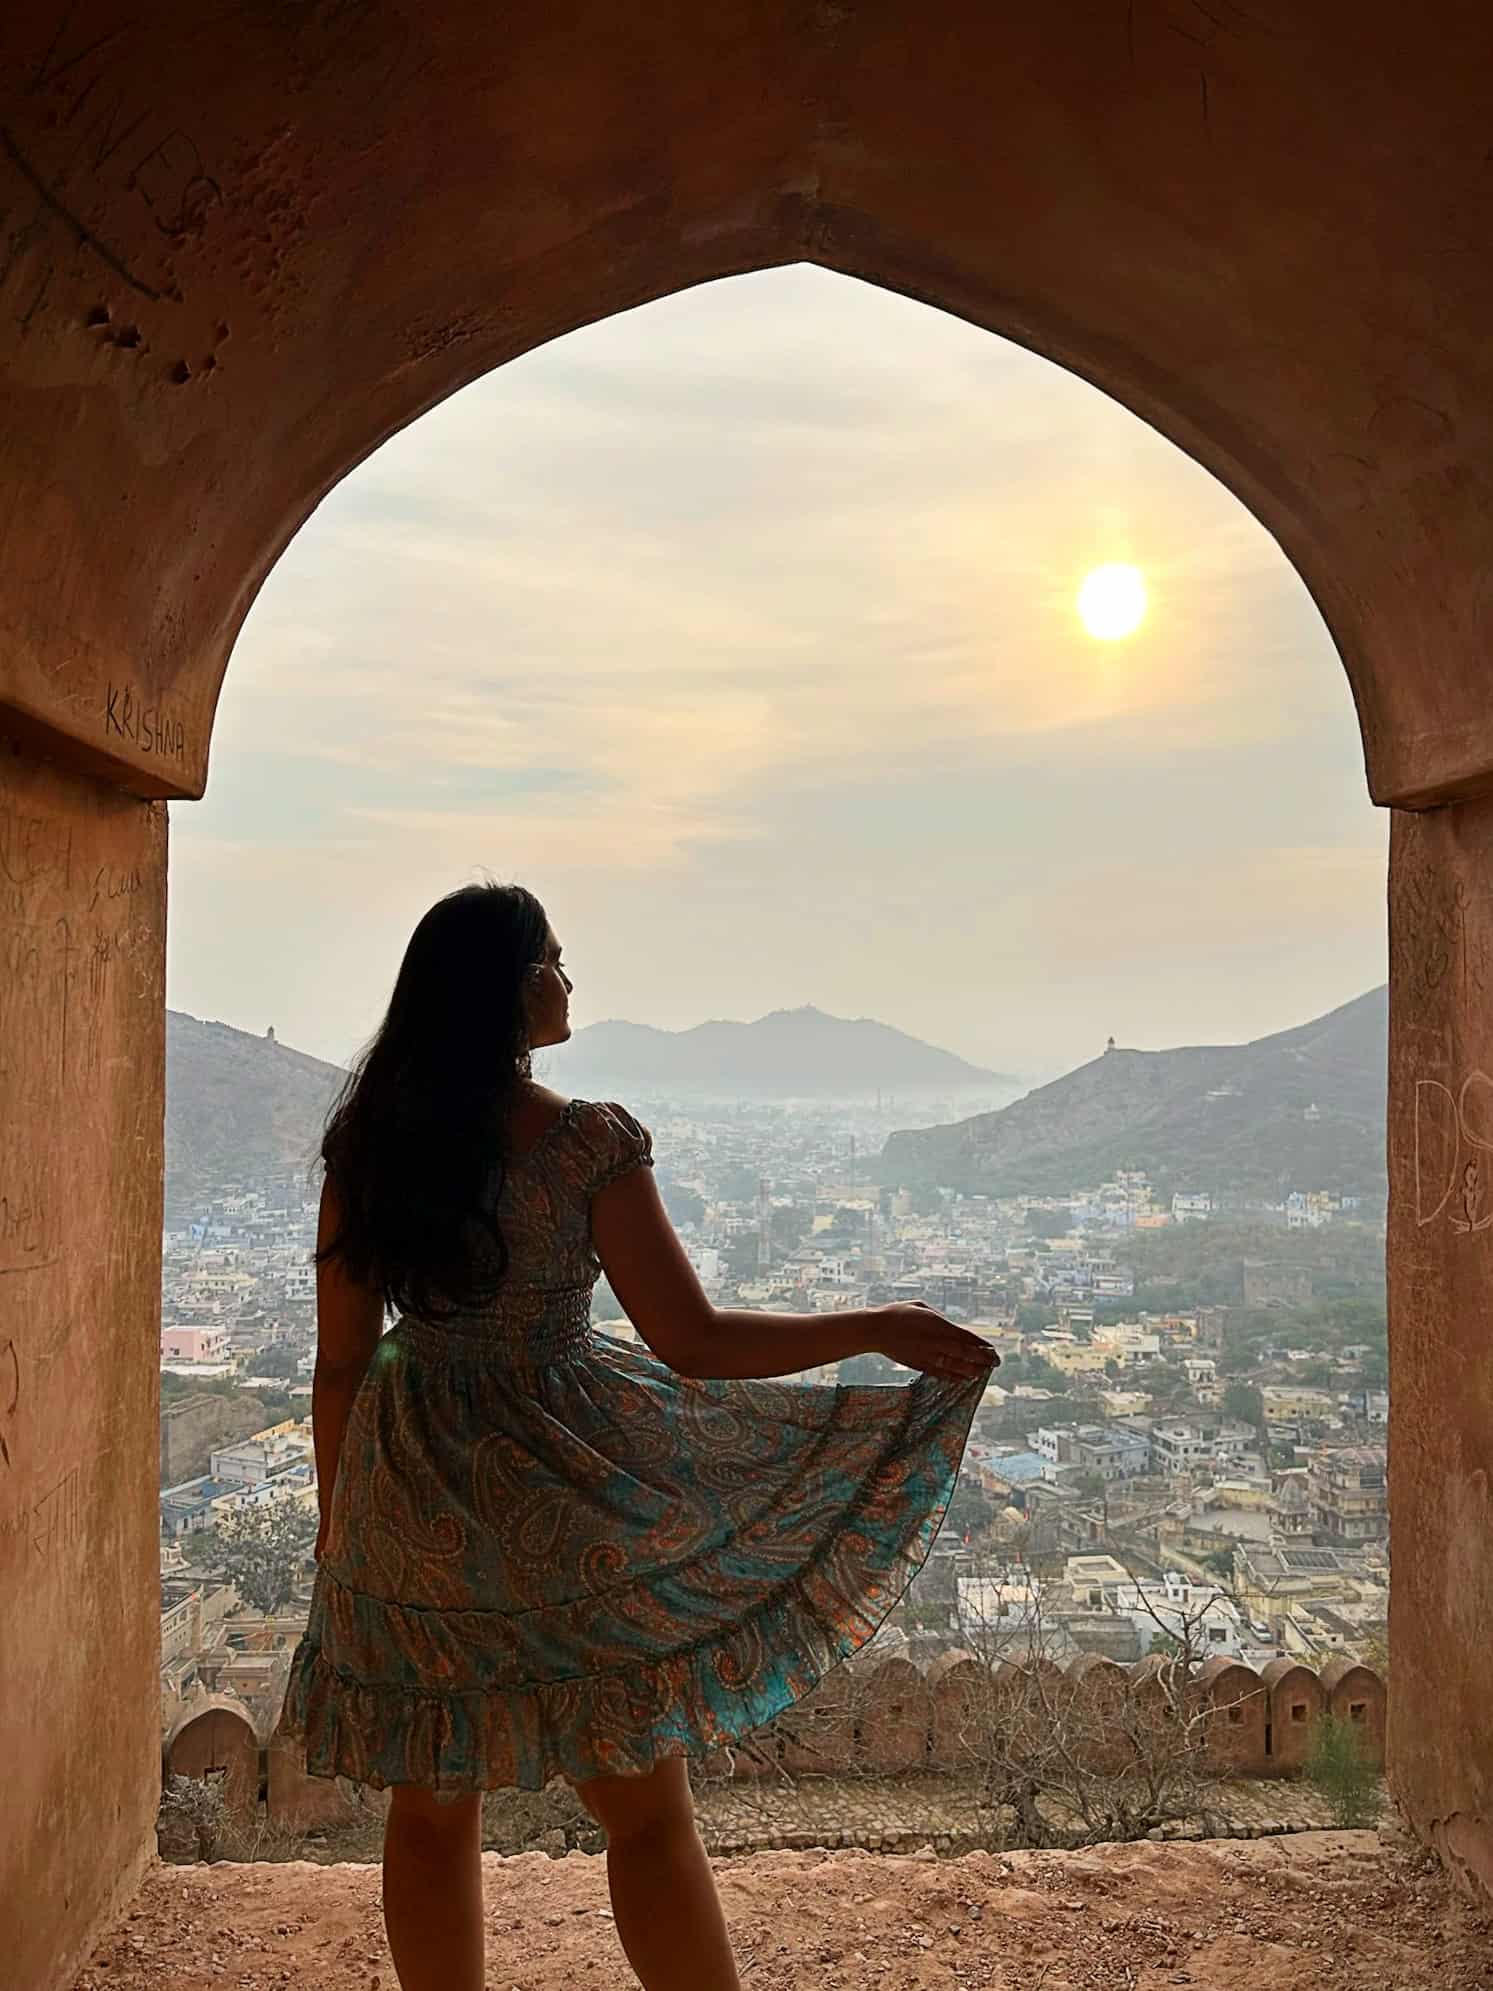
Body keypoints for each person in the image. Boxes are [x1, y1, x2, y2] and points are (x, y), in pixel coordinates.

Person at [274, 881, 997, 1991]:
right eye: (554, 961)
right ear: (512, 990)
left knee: (428, 1803)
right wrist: (875, 1325)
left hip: (405, 1483)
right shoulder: (582, 1145)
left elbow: (339, 1362)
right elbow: (692, 1341)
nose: (568, 981)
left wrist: (344, 1523)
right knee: (645, 1812)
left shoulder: (369, 1146)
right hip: (559, 1483)